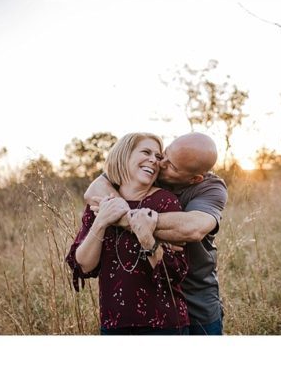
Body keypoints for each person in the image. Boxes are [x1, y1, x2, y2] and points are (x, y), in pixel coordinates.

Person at [83, 132, 228, 335]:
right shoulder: (149, 172)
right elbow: (95, 189)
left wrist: (124, 218)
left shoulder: (211, 188)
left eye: (172, 166)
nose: (161, 163)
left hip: (196, 299)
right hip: (152, 299)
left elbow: (193, 228)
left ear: (195, 178)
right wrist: (136, 221)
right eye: (164, 155)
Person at [66, 132, 190, 335]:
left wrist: (147, 238)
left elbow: (176, 273)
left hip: (164, 324)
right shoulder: (100, 202)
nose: (153, 159)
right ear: (124, 156)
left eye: (158, 156)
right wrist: (101, 222)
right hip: (114, 323)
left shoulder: (165, 202)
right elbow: (84, 266)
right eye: (146, 152)